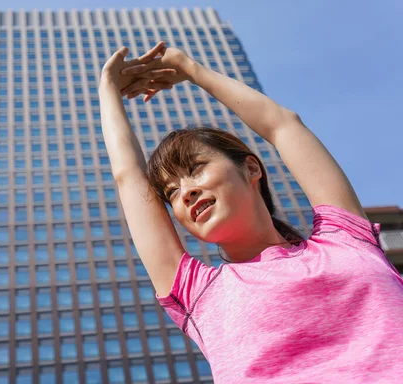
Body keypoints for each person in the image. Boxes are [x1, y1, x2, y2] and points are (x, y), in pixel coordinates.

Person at [98, 41, 403, 383]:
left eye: (196, 168)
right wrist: (107, 88)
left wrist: (191, 69)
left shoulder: (346, 239)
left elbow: (283, 125)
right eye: (171, 192)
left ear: (252, 169)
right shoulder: (196, 291)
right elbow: (129, 177)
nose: (186, 192)